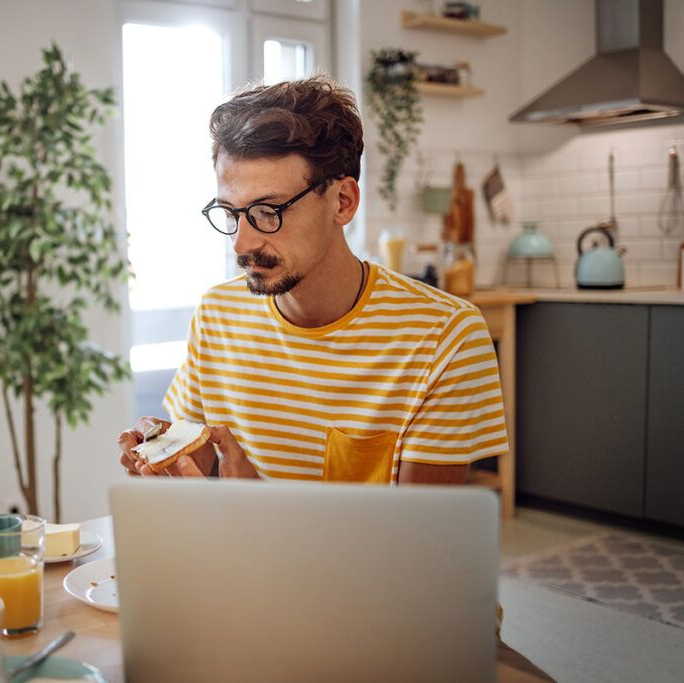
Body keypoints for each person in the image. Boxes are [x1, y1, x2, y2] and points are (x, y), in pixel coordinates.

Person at [118, 75, 507, 485]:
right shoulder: (218, 314)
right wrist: (170, 461)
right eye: (231, 214)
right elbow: (209, 471)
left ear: (343, 202)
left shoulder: (446, 337)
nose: (240, 244)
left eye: (268, 211)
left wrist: (252, 499)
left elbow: (420, 543)